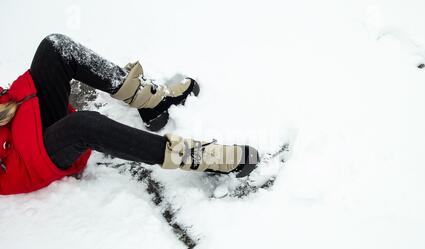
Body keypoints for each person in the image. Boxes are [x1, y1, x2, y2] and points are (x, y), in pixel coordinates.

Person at [0, 34, 259, 195]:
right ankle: (197, 156)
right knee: (84, 126)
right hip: (25, 161)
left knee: (55, 48)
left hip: (19, 122)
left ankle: (152, 102)